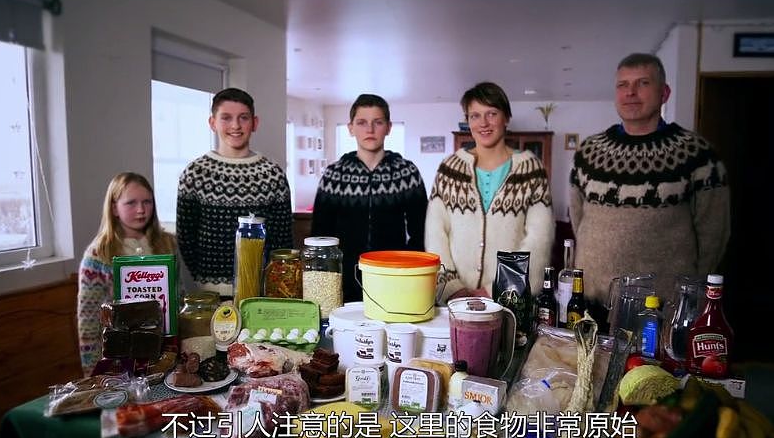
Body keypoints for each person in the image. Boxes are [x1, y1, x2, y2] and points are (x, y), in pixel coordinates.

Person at [569, 53, 730, 325]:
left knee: (653, 369)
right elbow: (578, 217)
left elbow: (714, 232)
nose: (630, 92)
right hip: (593, 301)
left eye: (642, 83)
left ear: (664, 92)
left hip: (662, 306)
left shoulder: (697, 155)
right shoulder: (588, 152)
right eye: (623, 85)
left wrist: (690, 294)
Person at [426, 81, 555, 303]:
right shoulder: (450, 169)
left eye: (491, 113)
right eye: (475, 116)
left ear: (506, 117)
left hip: (509, 301)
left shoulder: (531, 169)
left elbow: (538, 239)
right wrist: (451, 287)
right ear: (467, 121)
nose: (483, 123)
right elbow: (435, 233)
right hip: (454, 301)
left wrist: (496, 288)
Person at [177, 88, 293, 298]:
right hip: (209, 294)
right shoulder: (195, 173)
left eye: (243, 118)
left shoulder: (273, 175)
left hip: (261, 293)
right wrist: (205, 280)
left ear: (254, 123)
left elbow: (282, 241)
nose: (235, 126)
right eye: (226, 118)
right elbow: (186, 238)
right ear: (212, 123)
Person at [311, 93, 428, 302]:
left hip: (394, 278)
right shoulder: (333, 175)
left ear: (389, 127)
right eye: (362, 122)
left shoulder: (407, 173)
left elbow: (420, 231)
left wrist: (407, 270)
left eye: (378, 122)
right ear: (351, 128)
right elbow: (320, 234)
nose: (370, 129)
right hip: (343, 280)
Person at [77, 172, 177, 376]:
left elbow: (177, 297)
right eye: (131, 203)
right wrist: (93, 373)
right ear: (114, 207)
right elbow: (88, 321)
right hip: (120, 359)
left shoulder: (167, 243)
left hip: (164, 354)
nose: (141, 210)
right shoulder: (98, 254)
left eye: (147, 202)